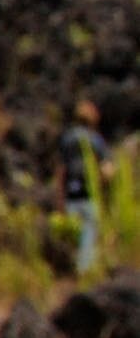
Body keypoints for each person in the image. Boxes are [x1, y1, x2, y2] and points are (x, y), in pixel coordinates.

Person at [62, 99, 109, 275]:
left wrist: (59, 197)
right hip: (89, 192)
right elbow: (107, 170)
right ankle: (84, 271)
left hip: (71, 192)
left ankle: (72, 270)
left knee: (74, 233)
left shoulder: (67, 139)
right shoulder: (95, 140)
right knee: (89, 231)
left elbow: (61, 171)